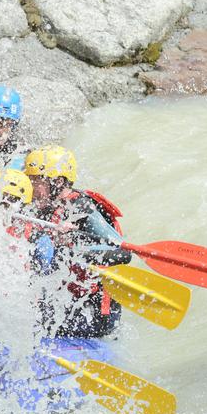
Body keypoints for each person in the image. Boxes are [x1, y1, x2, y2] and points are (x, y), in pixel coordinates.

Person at [15, 145, 131, 338]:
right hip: (61, 305)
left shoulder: (83, 208)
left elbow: (122, 253)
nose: (30, 187)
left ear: (58, 182)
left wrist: (73, 242)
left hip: (93, 313)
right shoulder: (44, 205)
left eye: (35, 180)